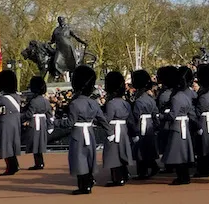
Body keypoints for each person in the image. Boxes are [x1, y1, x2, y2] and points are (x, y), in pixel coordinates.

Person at [64, 65, 109, 195]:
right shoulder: (94, 102)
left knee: (79, 159)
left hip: (78, 134)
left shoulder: (75, 103)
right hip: (89, 133)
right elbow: (101, 119)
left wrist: (54, 122)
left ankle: (83, 186)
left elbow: (70, 122)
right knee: (89, 158)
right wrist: (110, 132)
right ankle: (89, 182)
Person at [160, 66, 197, 185]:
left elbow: (172, 115)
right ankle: (184, 176)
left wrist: (159, 116)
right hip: (184, 125)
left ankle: (182, 177)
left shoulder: (176, 98)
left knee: (178, 153)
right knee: (183, 152)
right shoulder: (185, 96)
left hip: (177, 127)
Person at [103, 71, 132, 187]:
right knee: (122, 153)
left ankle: (117, 178)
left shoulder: (111, 103)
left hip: (114, 130)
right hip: (123, 129)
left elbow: (107, 119)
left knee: (113, 155)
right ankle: (125, 174)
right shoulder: (126, 103)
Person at [22, 76, 53, 170]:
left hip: (34, 123)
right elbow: (50, 115)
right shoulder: (46, 101)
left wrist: (21, 118)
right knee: (40, 143)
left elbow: (28, 114)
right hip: (43, 123)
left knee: (35, 143)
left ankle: (38, 163)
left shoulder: (34, 101)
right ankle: (41, 162)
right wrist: (50, 126)